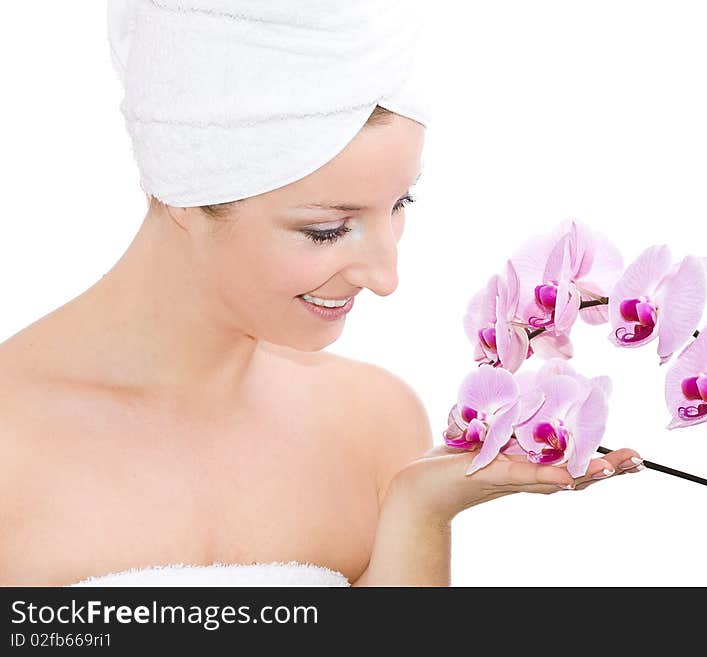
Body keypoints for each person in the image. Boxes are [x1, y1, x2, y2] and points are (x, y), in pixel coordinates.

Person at [0, 1, 644, 587]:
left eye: (399, 204)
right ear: (185, 196)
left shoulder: (373, 420)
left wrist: (419, 512)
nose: (385, 277)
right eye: (326, 230)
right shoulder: (14, 444)